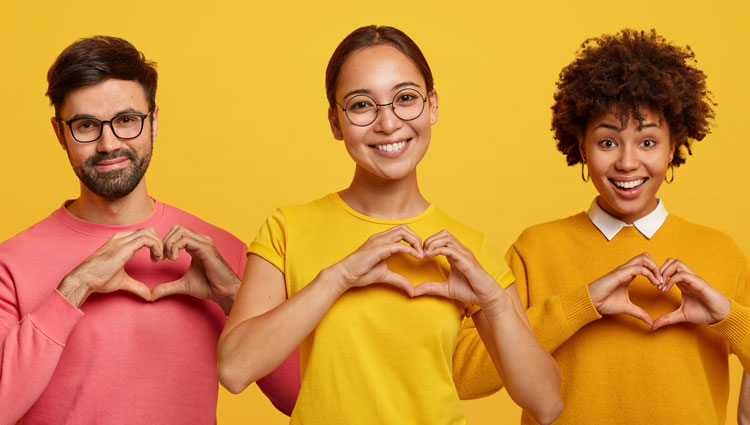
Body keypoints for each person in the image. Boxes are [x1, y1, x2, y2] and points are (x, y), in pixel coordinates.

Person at [217, 25, 562, 425]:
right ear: (335, 122)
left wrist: (495, 302)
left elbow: (546, 404)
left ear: (432, 105)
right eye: (363, 105)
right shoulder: (287, 228)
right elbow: (234, 369)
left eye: (405, 99)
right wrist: (339, 276)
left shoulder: (470, 250)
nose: (388, 123)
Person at [0, 36, 299, 424]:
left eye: (126, 121)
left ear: (154, 122)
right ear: (60, 134)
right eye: (86, 126)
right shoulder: (11, 263)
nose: (108, 144)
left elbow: (302, 399)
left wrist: (232, 297)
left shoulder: (222, 253)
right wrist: (73, 288)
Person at [462, 29, 750, 424]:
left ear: (673, 146)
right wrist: (581, 305)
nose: (628, 163)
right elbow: (465, 375)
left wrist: (728, 318)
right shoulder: (536, 249)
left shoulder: (721, 252)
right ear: (581, 147)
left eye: (647, 142)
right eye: (608, 142)